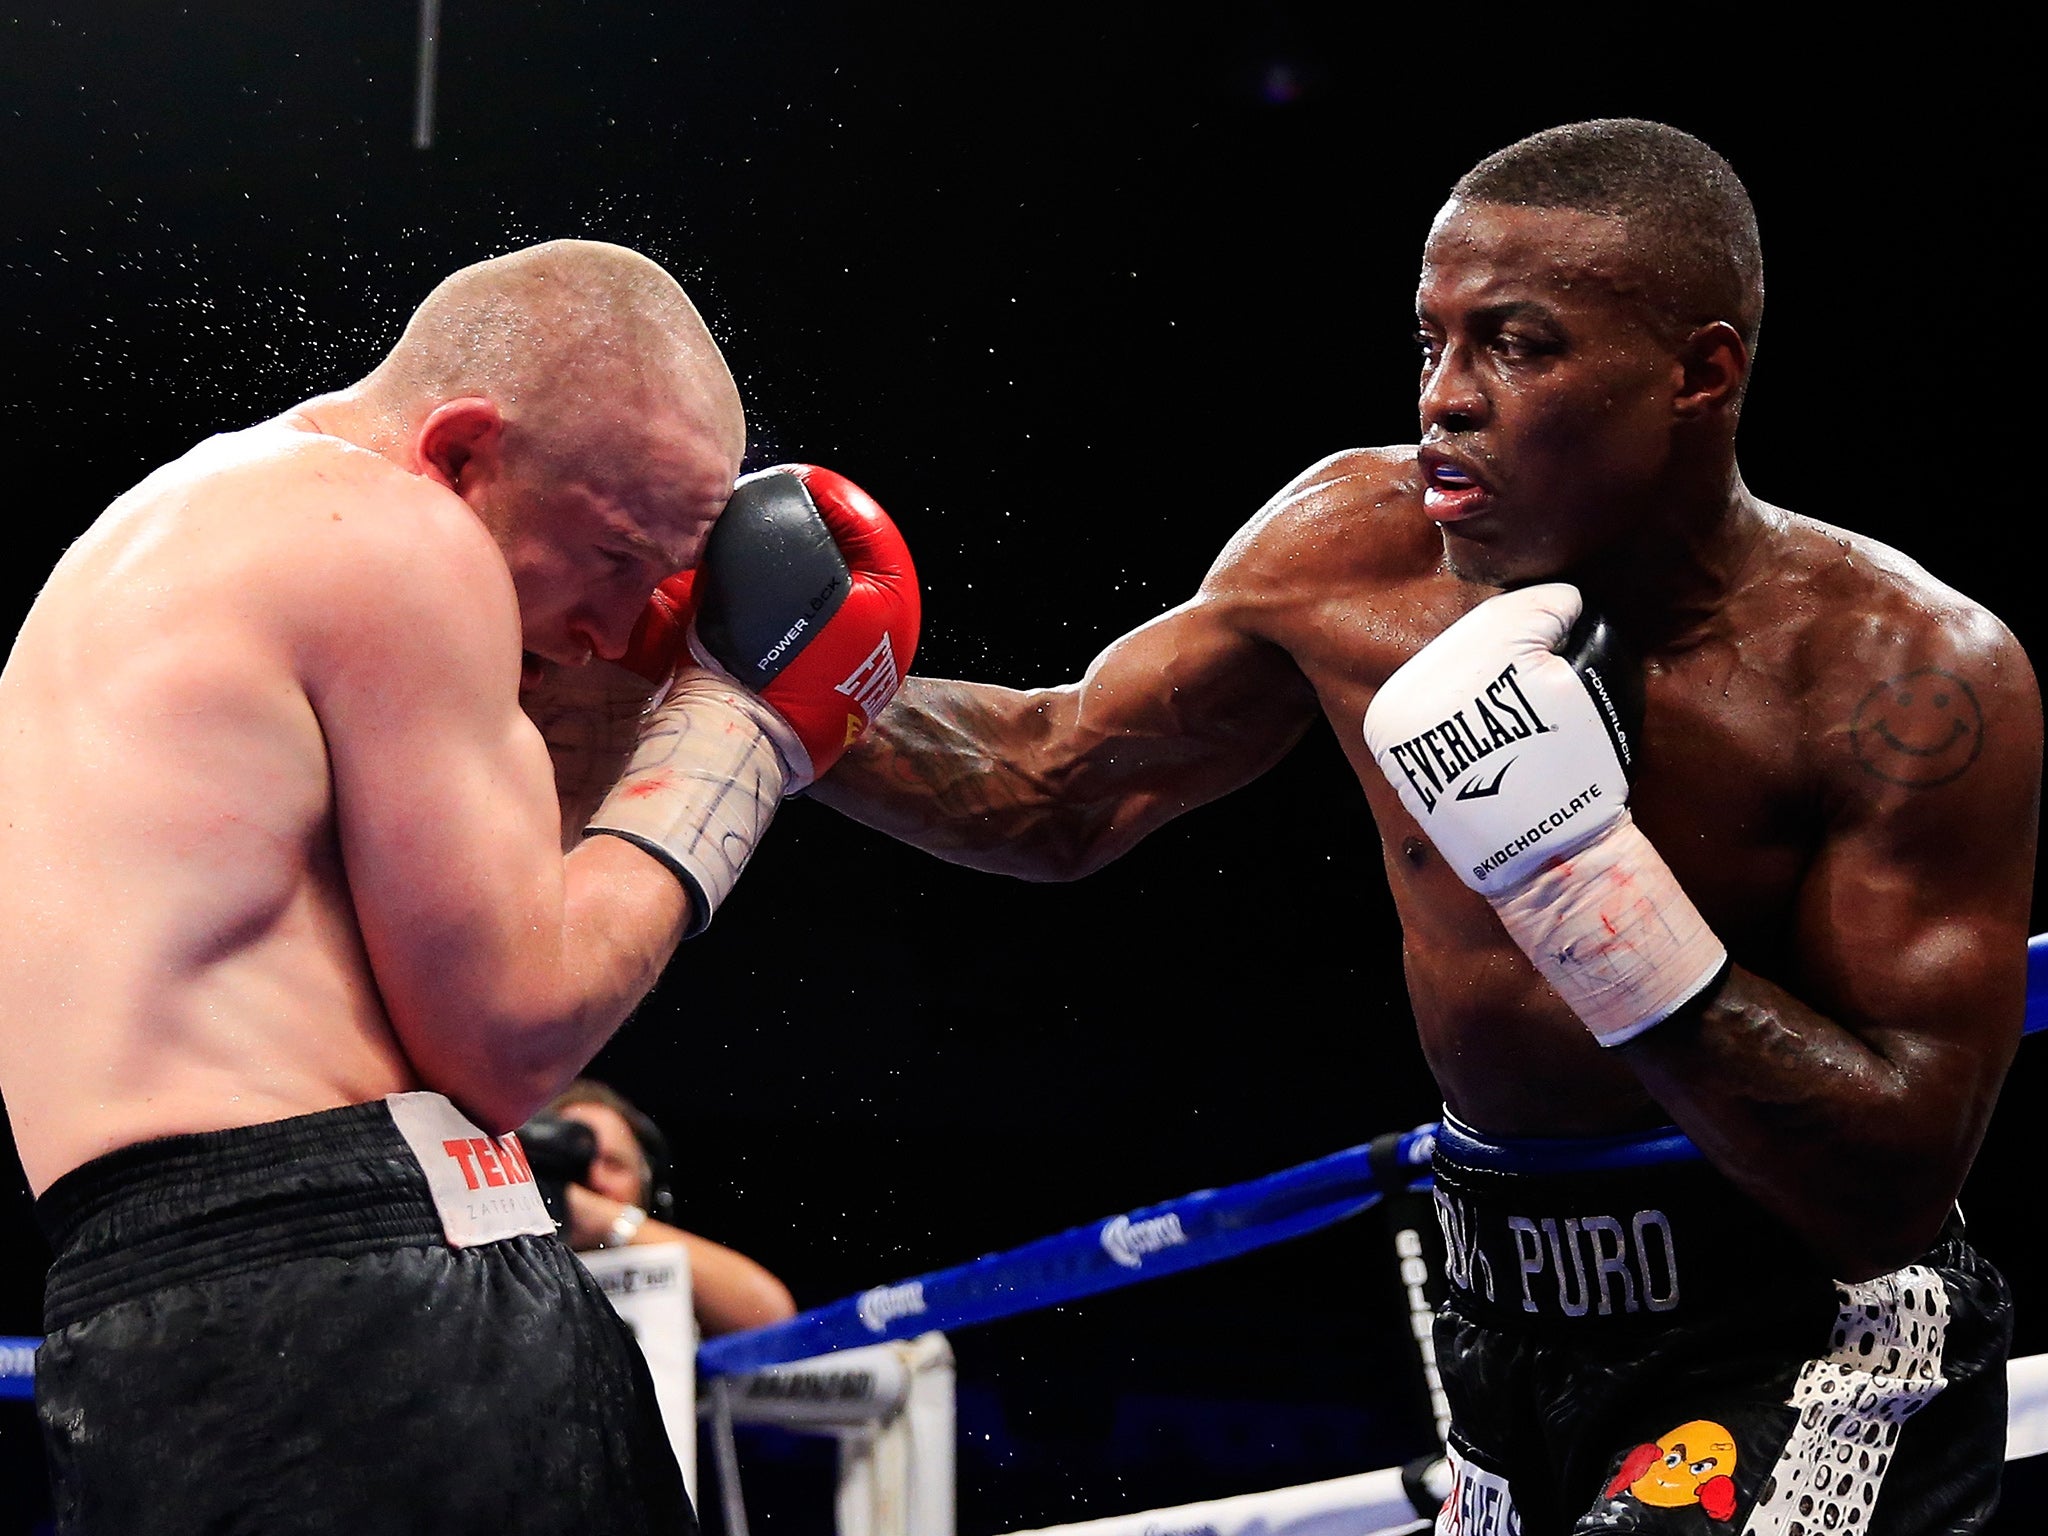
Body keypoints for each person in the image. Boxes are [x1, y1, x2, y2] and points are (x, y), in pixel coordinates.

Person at [810, 120, 2041, 1532]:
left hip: (1802, 1331)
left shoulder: (1904, 678)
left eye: (1518, 346)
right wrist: (768, 683)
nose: (1446, 402)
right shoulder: (1351, 550)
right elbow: (1050, 784)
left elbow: (1892, 1183)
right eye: (1431, 343)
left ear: (1701, 372)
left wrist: (1582, 884)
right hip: (1498, 1313)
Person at [0, 238, 918, 1534]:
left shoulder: (182, 533)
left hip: (159, 1300)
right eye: (611, 557)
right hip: (368, 1293)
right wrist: (740, 734)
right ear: (464, 451)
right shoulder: (400, 532)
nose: (611, 628)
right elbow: (514, 1033)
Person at [526, 1077, 798, 1338]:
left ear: (648, 1187)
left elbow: (771, 1315)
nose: (595, 1179)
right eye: (575, 1163)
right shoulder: (505, 1267)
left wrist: (609, 1222)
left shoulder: (682, 1271)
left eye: (614, 1163)